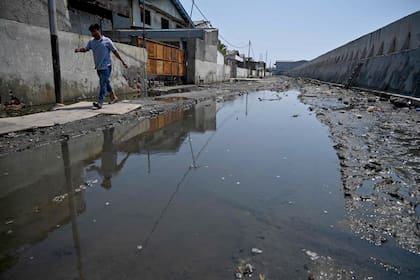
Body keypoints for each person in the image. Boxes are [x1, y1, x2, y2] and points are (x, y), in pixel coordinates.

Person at [75, 23, 127, 109]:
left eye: (94, 32)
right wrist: (79, 49)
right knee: (106, 82)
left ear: (99, 31)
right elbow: (86, 49)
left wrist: (122, 61)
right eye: (92, 33)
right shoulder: (91, 42)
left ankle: (100, 102)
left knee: (102, 83)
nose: (93, 34)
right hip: (98, 67)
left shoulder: (107, 41)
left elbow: (115, 52)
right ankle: (114, 97)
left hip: (107, 66)